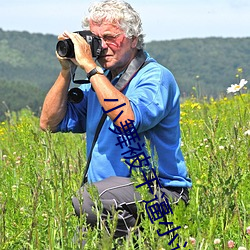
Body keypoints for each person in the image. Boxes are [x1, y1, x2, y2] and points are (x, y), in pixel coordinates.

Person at [40, 0, 192, 244]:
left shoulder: (155, 77)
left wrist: (90, 67)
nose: (102, 47)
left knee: (87, 200)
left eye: (110, 37)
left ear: (133, 39)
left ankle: (141, 240)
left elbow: (127, 121)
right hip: (110, 199)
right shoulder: (99, 83)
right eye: (96, 39)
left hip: (159, 192)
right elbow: (49, 123)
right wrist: (66, 70)